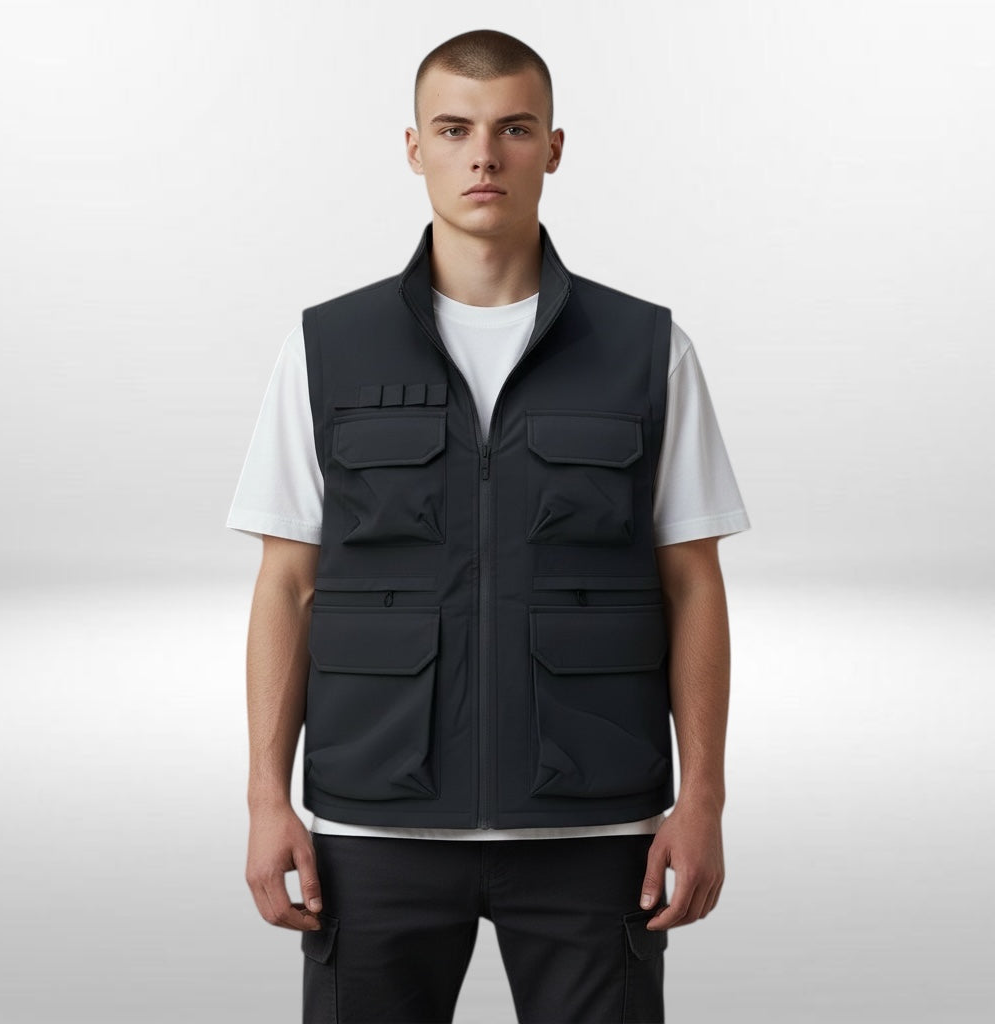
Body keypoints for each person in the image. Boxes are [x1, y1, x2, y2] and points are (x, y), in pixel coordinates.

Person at [226, 27, 750, 1024]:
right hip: (373, 826)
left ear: (553, 147)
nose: (483, 157)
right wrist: (265, 800)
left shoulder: (646, 348)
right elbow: (288, 584)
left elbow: (692, 584)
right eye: (454, 129)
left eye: (513, 129)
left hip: (596, 827)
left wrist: (703, 801)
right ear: (413, 147)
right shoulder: (325, 348)